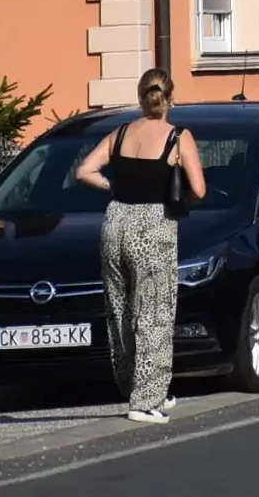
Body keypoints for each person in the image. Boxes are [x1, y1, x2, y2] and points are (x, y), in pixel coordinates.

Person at [73, 68, 208, 422]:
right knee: (154, 313)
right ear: (170, 99)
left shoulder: (119, 134)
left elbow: (84, 171)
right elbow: (199, 189)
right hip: (153, 225)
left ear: (140, 97)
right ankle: (146, 400)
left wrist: (113, 187)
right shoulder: (177, 137)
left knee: (120, 310)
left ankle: (140, 386)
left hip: (115, 221)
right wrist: (179, 200)